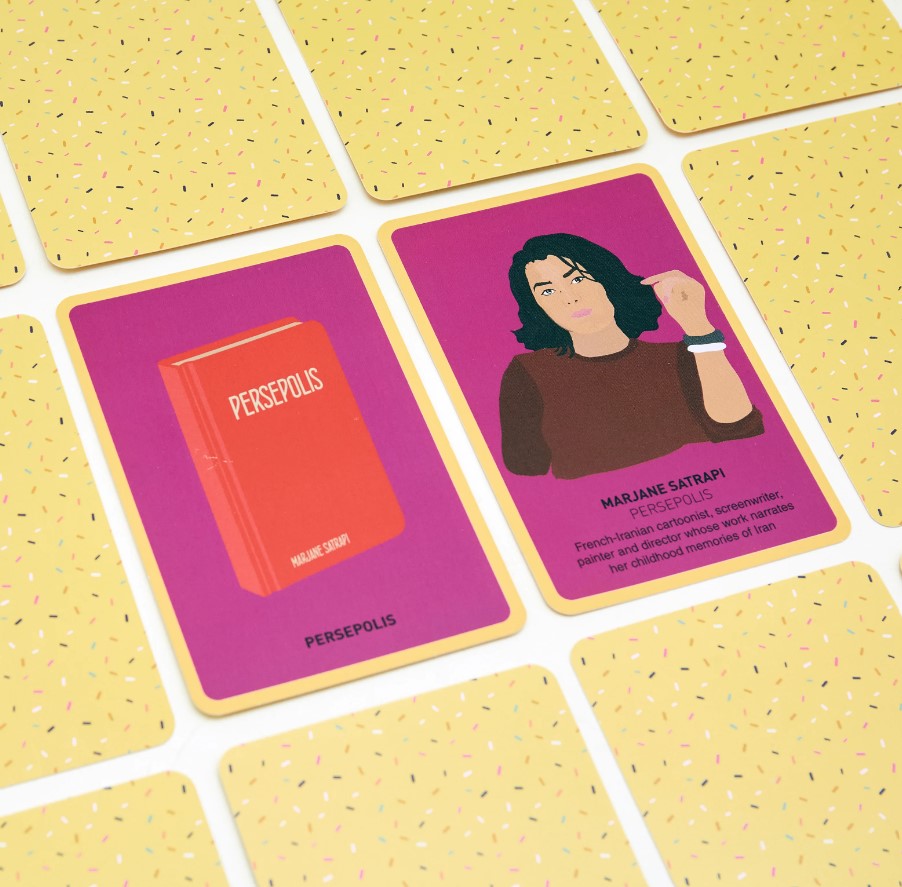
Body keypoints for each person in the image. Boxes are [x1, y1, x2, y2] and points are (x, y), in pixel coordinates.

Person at [500, 233, 764, 478]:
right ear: (536, 307)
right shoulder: (529, 373)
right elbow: (525, 469)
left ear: (607, 278)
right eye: (547, 291)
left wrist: (697, 326)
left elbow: (738, 426)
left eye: (577, 279)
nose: (570, 298)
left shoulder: (683, 356)